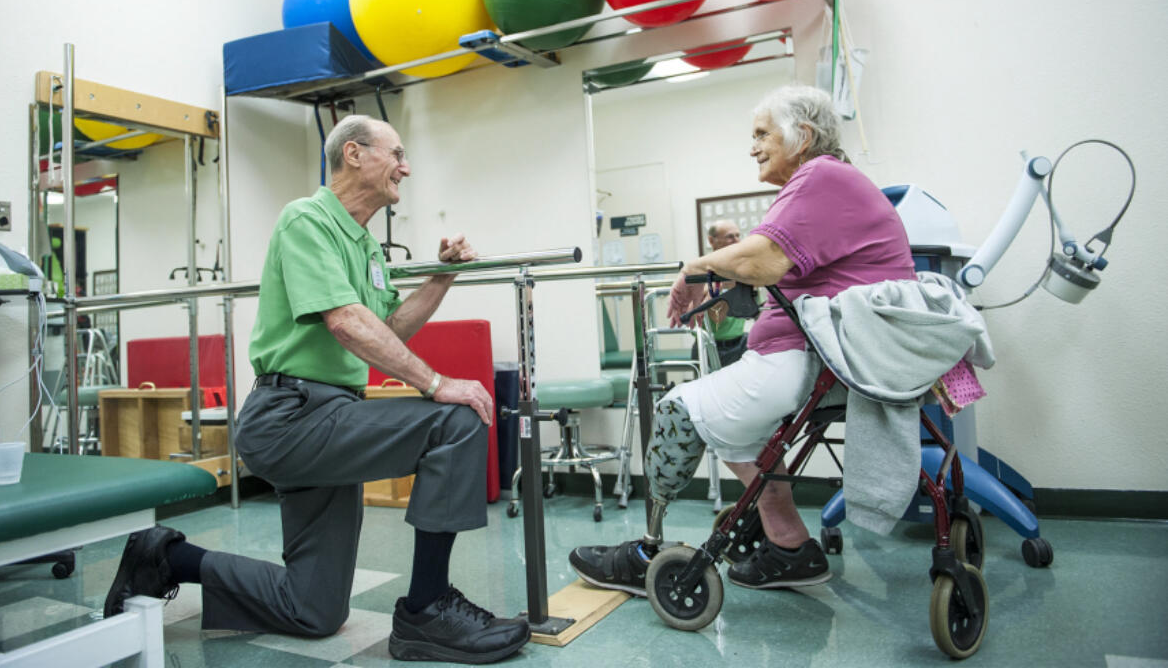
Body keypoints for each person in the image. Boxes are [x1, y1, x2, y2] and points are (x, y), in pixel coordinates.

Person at [102, 115, 530, 664]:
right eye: (396, 153)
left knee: (314, 611)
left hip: (333, 421)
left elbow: (387, 329)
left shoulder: (369, 250)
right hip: (290, 417)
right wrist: (438, 382)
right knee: (457, 419)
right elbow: (346, 323)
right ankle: (426, 609)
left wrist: (441, 278)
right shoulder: (305, 219)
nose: (407, 166)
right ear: (353, 154)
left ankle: (166, 559)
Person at [569, 85, 915, 595]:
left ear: (804, 137)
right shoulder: (827, 182)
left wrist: (696, 268)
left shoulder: (820, 177)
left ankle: (647, 551)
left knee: (677, 409)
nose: (752, 146)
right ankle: (790, 546)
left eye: (761, 134)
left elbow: (761, 259)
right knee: (738, 432)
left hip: (810, 360)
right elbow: (780, 268)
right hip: (817, 357)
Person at [701, 219, 748, 367]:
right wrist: (722, 288)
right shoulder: (702, 270)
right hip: (712, 347)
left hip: (740, 344)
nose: (736, 241)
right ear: (711, 241)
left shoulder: (742, 270)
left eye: (737, 236)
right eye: (729, 236)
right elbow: (715, 319)